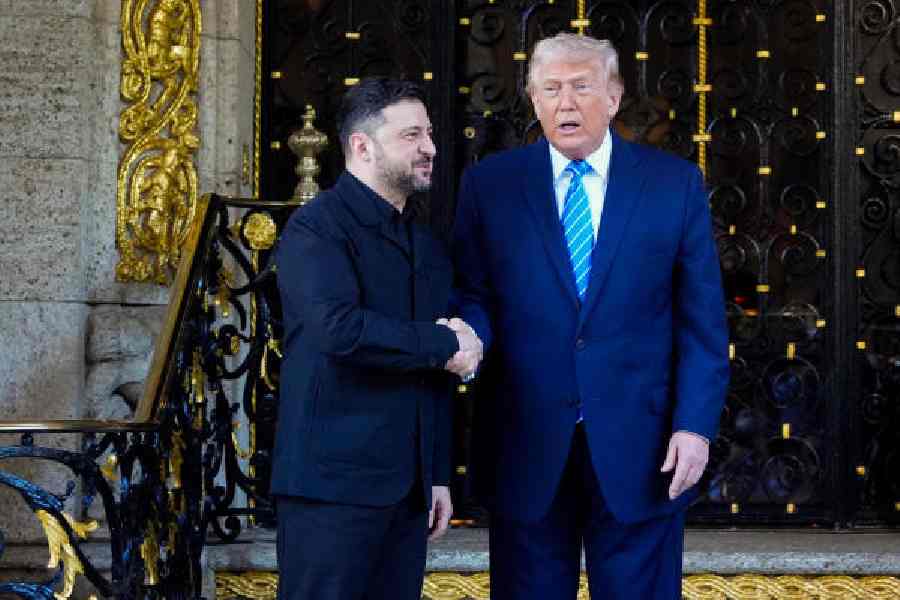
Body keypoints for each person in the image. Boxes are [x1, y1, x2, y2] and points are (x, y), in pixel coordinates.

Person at [452, 33, 730, 599]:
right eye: (550, 89)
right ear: (533, 100)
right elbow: (471, 295)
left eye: (582, 87)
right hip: (525, 442)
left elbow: (701, 323)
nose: (566, 103)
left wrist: (694, 425)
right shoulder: (490, 186)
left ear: (615, 96)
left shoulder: (673, 185)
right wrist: (469, 339)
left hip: (644, 448)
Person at [272, 77, 482, 600]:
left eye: (429, 133)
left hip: (406, 491)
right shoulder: (315, 228)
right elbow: (337, 329)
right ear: (362, 146)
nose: (430, 147)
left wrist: (435, 475)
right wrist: (444, 344)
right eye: (412, 135)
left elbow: (427, 375)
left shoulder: (425, 244)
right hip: (330, 488)